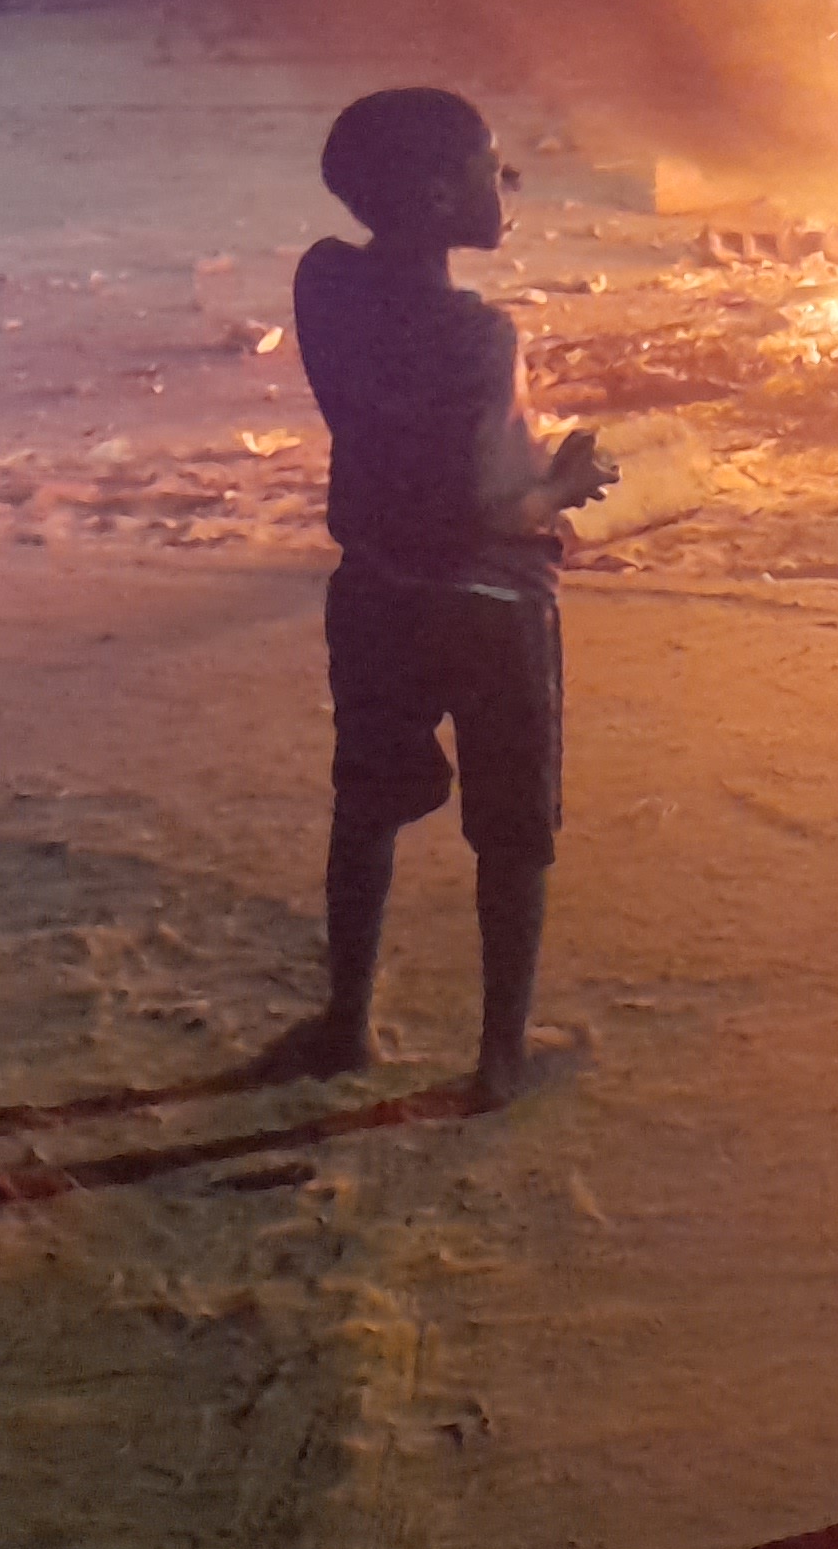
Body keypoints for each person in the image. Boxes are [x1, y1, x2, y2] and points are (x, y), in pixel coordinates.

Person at [259, 90, 617, 1108]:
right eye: (486, 168)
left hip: (373, 587)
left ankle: (344, 1023)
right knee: (511, 832)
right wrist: (566, 485)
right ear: (431, 194)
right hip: (490, 608)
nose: (505, 184)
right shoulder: (478, 333)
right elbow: (483, 505)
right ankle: (500, 1056)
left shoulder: (324, 282)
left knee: (365, 805)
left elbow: (412, 452)